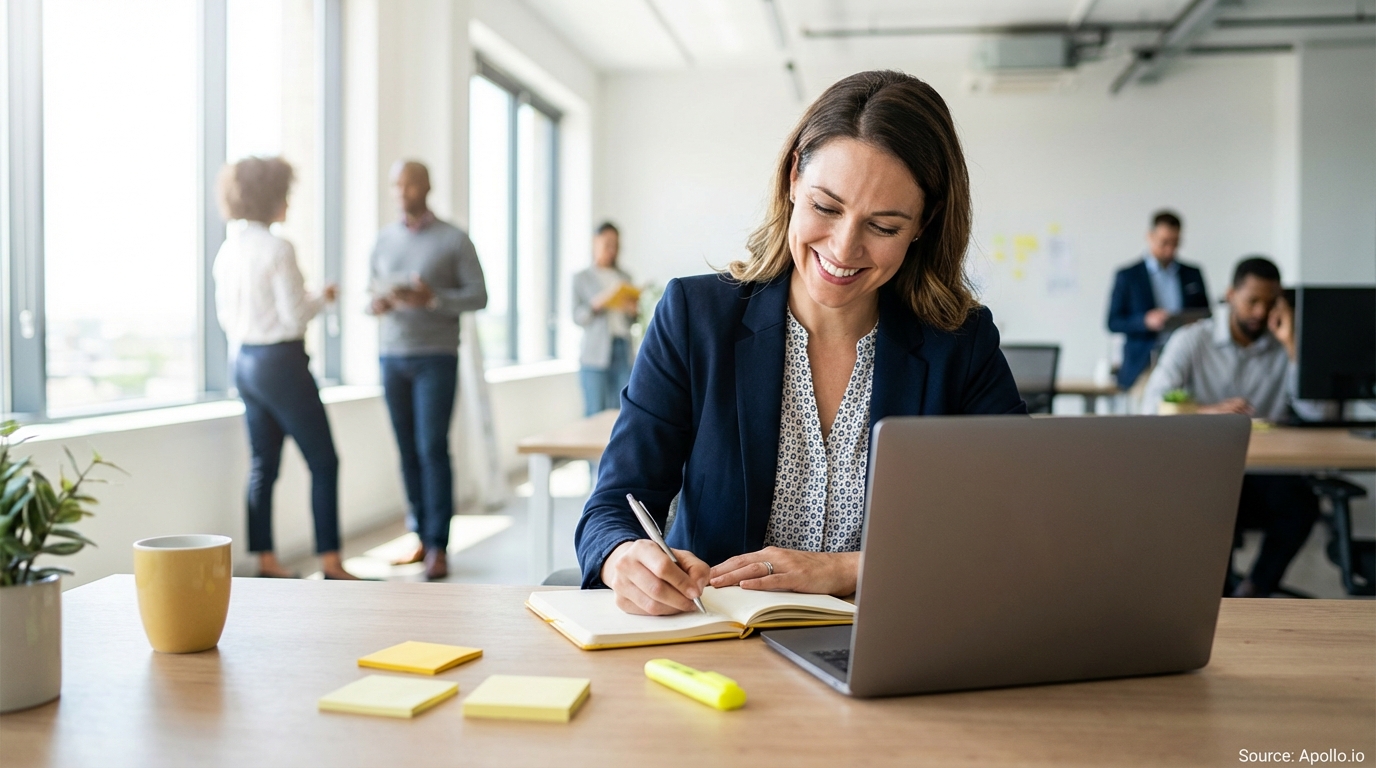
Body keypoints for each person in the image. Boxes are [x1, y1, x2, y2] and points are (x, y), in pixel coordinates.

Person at [574, 70, 1026, 616]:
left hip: (890, 641)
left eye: (883, 226)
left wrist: (848, 570)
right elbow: (612, 506)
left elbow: (1012, 526)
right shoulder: (696, 318)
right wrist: (624, 556)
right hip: (720, 640)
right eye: (827, 207)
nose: (843, 247)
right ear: (793, 179)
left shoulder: (961, 344)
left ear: (922, 224)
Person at [212, 157, 357, 580]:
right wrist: (322, 297)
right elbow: (294, 317)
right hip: (281, 362)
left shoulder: (228, 249)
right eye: (286, 195)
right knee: (324, 461)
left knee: (263, 464)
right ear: (272, 198)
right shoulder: (278, 248)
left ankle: (267, 559)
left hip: (243, 361)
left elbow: (228, 316)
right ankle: (330, 562)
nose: (289, 203)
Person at [1142, 256, 1319, 597]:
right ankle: (1215, 596)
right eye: (1252, 300)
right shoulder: (1192, 340)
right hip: (1205, 469)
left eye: (1269, 303)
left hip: (1265, 474)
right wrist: (1208, 412)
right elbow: (1151, 405)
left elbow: (1318, 414)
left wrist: (1294, 346)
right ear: (1230, 295)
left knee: (1302, 504)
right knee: (1207, 505)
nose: (1259, 312)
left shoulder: (1283, 344)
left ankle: (1255, 589)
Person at [369, 160, 488, 581]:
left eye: (408, 182)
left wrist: (433, 299)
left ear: (426, 186)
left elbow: (479, 296)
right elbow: (370, 296)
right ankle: (419, 535)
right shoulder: (383, 240)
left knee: (431, 448)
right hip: (392, 356)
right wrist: (378, 304)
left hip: (436, 356)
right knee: (406, 450)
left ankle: (439, 545)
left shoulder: (454, 239)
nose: (401, 190)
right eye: (395, 183)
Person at [1107, 210, 1211, 391]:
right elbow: (1113, 321)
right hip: (1144, 363)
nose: (1170, 249)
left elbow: (1207, 316)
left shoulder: (1192, 274)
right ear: (1150, 236)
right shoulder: (1128, 276)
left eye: (1175, 243)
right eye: (1164, 242)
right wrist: (1145, 321)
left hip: (1187, 359)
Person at [573, 222, 638, 416]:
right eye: (607, 243)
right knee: (594, 412)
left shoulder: (624, 276)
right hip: (595, 353)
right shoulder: (582, 277)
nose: (612, 249)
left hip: (622, 348)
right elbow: (577, 317)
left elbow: (631, 322)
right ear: (595, 242)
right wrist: (599, 302)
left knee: (623, 411)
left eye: (615, 244)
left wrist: (633, 311)